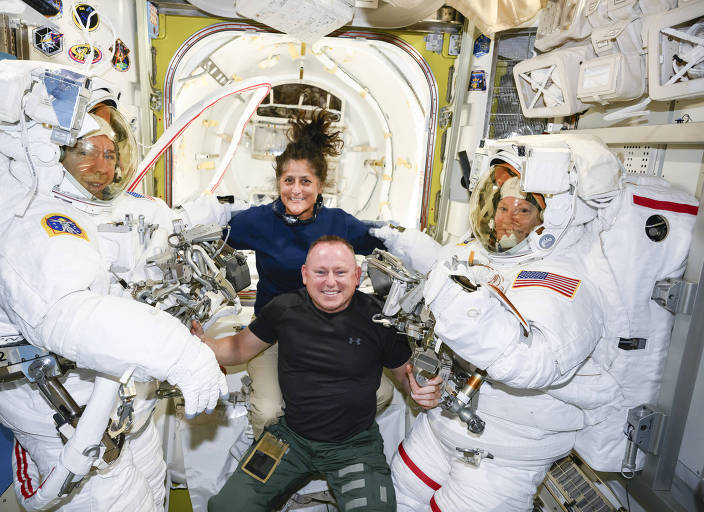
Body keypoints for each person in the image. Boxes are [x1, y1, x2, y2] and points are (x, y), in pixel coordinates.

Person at [0, 61, 231, 511]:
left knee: (153, 495)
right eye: (84, 151)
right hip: (73, 425)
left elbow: (152, 233)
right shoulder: (35, 222)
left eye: (110, 153)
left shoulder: (91, 213)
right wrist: (181, 355)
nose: (101, 167)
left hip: (123, 414)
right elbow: (70, 313)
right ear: (53, 153)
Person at [371, 136, 627, 511]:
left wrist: (458, 310)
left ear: (548, 219)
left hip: (502, 453)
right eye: (503, 207)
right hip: (444, 426)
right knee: (398, 498)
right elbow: (440, 288)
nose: (508, 218)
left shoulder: (562, 281)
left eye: (523, 210)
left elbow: (532, 364)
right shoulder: (474, 254)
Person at [194, 236, 442, 512]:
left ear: (357, 275)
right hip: (291, 440)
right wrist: (201, 344)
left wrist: (421, 389)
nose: (330, 282)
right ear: (305, 275)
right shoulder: (284, 309)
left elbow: (405, 375)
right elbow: (238, 349)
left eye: (340, 272)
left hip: (354, 446)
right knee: (228, 508)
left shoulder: (379, 319)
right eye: (320, 272)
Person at [212, 109, 390, 438]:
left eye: (306, 181)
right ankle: (273, 464)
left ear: (320, 185)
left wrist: (421, 251)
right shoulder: (257, 221)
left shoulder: (339, 223)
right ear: (278, 182)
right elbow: (211, 231)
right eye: (289, 180)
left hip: (329, 331)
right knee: (268, 412)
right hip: (271, 333)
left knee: (379, 394)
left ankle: (320, 446)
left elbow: (385, 240)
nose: (297, 189)